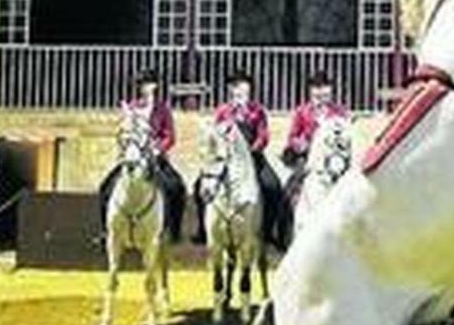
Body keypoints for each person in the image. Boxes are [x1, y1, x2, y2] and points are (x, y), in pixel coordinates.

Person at [193, 70, 285, 249]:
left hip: (253, 157)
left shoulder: (257, 111)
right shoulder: (223, 111)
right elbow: (215, 134)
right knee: (199, 185)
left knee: (272, 186)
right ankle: (204, 230)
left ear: (249, 89)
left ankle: (267, 231)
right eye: (234, 86)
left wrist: (253, 149)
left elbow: (263, 135)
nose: (238, 89)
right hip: (226, 159)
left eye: (242, 85)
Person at [97, 68, 186, 243]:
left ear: (155, 86)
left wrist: (157, 148)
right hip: (132, 157)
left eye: (148, 84)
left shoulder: (162, 109)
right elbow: (123, 132)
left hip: (155, 158)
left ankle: (174, 229)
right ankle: (106, 230)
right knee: (105, 186)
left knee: (176, 186)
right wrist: (125, 145)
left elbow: (170, 136)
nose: (145, 87)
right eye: (142, 84)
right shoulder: (131, 108)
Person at [281, 70, 350, 236]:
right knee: (288, 191)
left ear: (331, 90)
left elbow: (347, 137)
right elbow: (292, 137)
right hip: (307, 159)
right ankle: (285, 232)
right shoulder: (302, 112)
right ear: (311, 91)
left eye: (325, 87)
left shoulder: (340, 112)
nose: (321, 92)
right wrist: (301, 144)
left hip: (335, 160)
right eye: (317, 88)